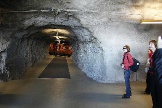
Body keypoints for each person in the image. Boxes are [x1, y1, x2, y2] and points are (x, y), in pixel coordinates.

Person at [152, 36, 162, 108]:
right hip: (155, 78)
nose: (150, 46)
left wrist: (159, 49)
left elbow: (158, 68)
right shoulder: (155, 53)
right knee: (155, 95)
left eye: (151, 45)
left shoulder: (159, 53)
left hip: (158, 80)